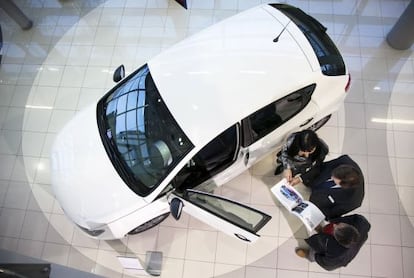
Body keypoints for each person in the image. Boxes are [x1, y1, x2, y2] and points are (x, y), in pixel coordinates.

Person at [295, 214, 370, 271]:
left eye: (335, 229)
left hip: (331, 258)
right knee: (326, 230)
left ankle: (307, 255)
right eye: (339, 224)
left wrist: (317, 257)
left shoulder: (336, 256)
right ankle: (322, 231)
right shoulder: (361, 222)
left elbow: (326, 264)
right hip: (351, 243)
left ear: (337, 241)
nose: (334, 225)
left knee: (313, 255)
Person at [308, 155, 364, 219]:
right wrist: (302, 178)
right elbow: (321, 167)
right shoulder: (344, 161)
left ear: (343, 184)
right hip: (310, 184)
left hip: (314, 206)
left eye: (334, 178)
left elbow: (330, 213)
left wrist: (311, 210)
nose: (331, 177)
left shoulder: (352, 202)